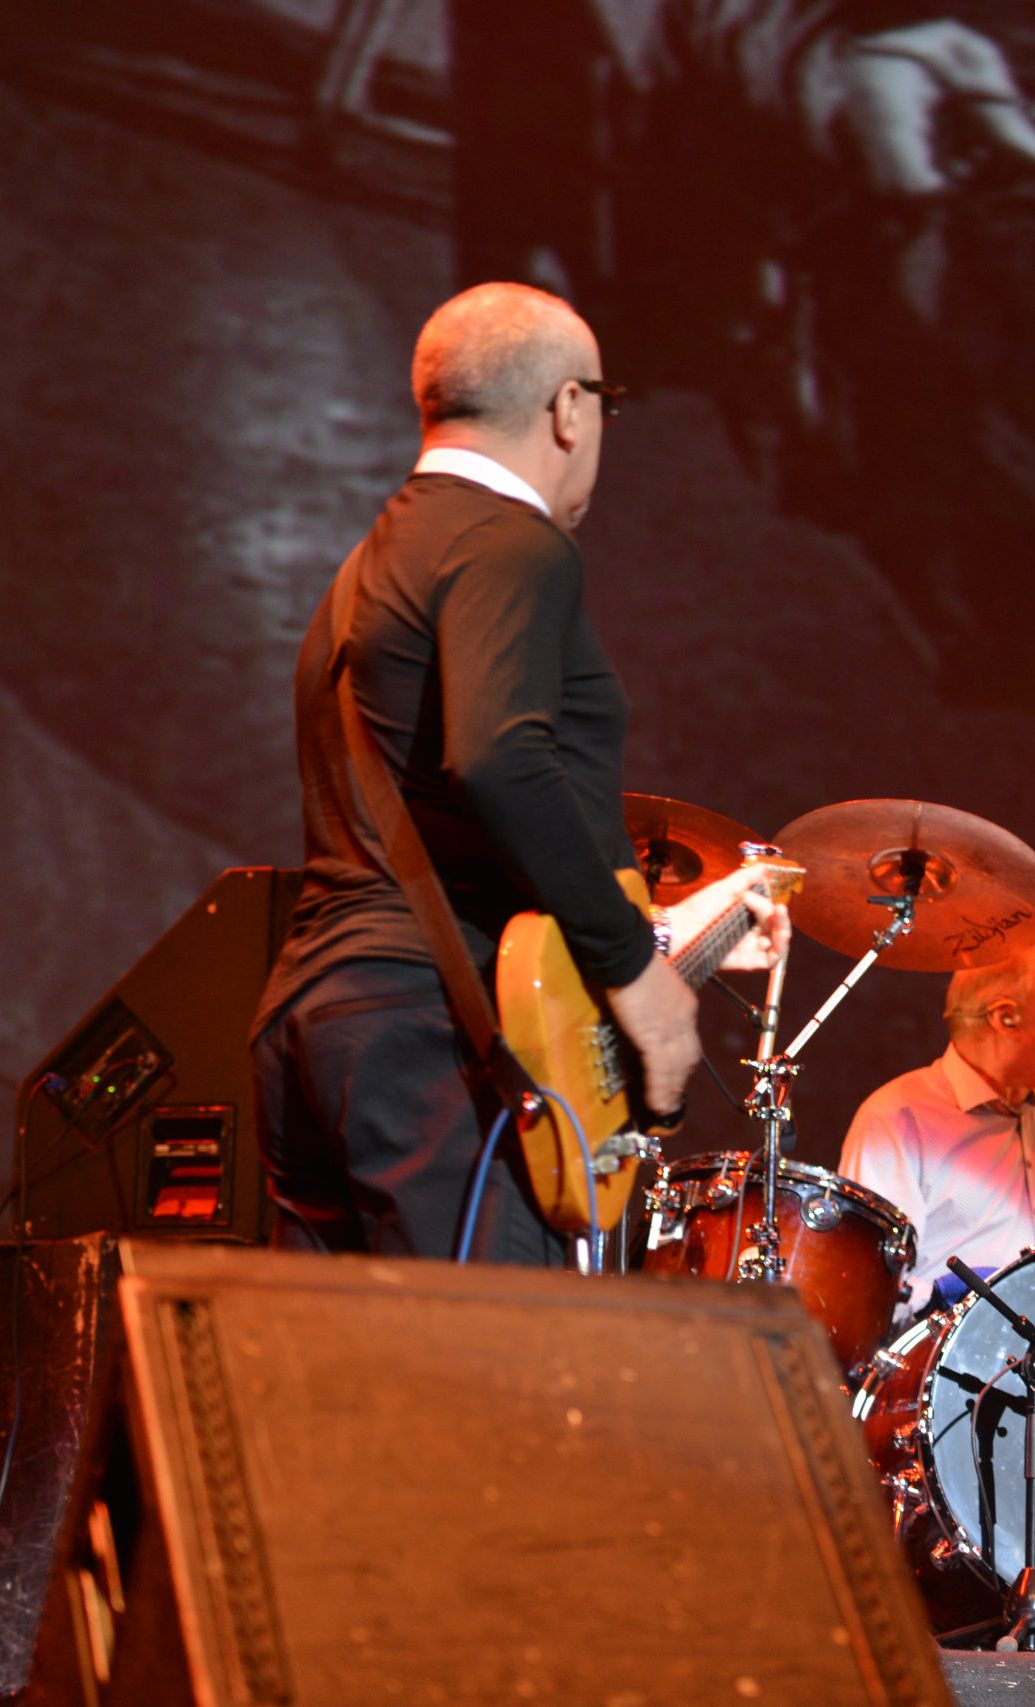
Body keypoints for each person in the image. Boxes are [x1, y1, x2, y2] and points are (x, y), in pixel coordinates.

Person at [251, 282, 786, 1263]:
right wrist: (638, 977)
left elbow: (444, 823)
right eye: (606, 405)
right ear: (569, 408)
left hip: (322, 1023)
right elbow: (499, 761)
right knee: (490, 1354)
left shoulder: (370, 568)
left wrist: (670, 935)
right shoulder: (511, 542)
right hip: (438, 1040)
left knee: (357, 1361)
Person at [839, 942, 1035, 1309]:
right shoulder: (897, 1115)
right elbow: (862, 1285)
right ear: (1006, 1018)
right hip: (950, 1343)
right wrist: (942, 1298)